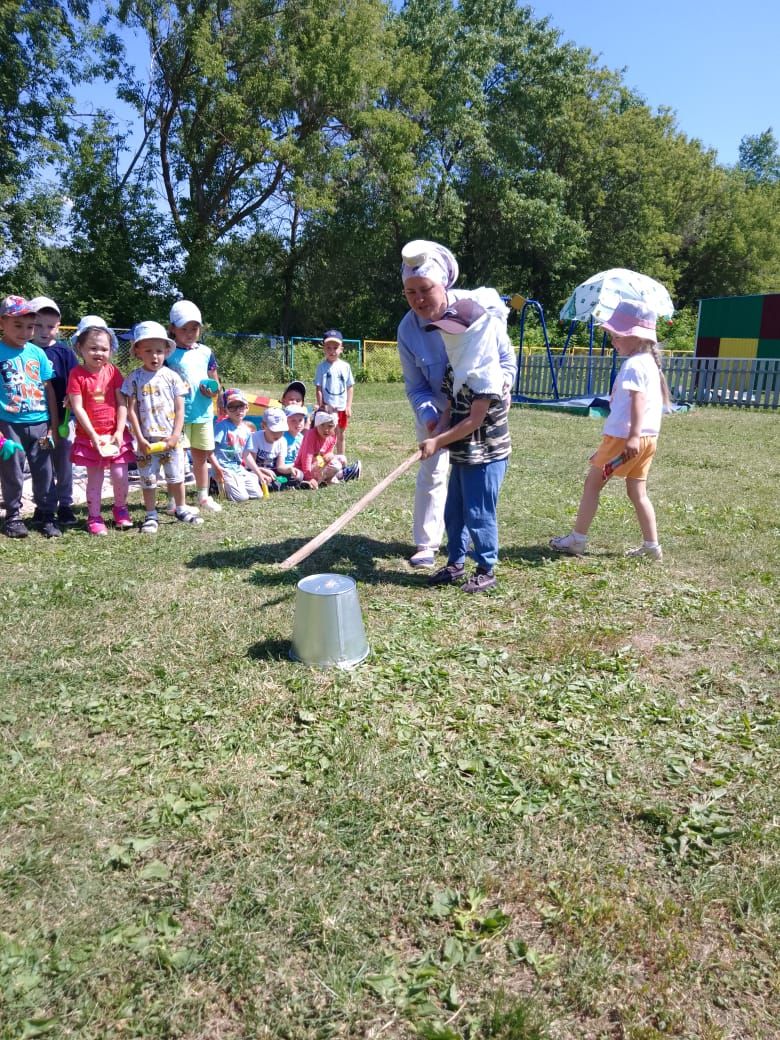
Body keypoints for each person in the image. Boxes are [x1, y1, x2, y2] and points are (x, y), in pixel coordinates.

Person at [397, 239, 516, 568]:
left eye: (425, 289)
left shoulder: (472, 313)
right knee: (433, 474)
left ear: (442, 284)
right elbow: (417, 387)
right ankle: (429, 544)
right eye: (411, 292)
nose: (419, 299)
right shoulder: (407, 330)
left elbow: (505, 360)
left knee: (474, 491)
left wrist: (500, 388)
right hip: (442, 408)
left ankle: (481, 558)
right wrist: (432, 418)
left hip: (479, 409)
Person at [549, 299, 669, 560]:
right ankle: (651, 547)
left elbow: (637, 401)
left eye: (616, 336)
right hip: (648, 440)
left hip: (623, 440)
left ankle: (576, 540)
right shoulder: (649, 363)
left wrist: (632, 436)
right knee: (637, 492)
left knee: (592, 484)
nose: (613, 341)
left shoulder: (634, 365)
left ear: (635, 337)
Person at [418, 299, 511, 593]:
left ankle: (486, 568)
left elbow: (473, 421)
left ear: (476, 333)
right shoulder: (457, 365)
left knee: (479, 513)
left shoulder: (486, 373)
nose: (449, 337)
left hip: (486, 456)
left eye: (455, 331)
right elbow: (449, 408)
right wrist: (438, 430)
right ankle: (455, 563)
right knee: (454, 511)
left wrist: (438, 441)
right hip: (462, 453)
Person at [122, 320, 203, 534]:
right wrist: (139, 438)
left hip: (171, 439)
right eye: (148, 351)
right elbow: (131, 410)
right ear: (138, 351)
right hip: (146, 440)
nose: (154, 356)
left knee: (176, 476)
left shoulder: (173, 377)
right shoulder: (134, 378)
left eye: (159, 351)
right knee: (149, 479)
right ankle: (151, 514)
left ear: (166, 351)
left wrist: (175, 435)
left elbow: (180, 408)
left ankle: (181, 507)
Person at [66, 316, 136, 535]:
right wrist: (94, 436)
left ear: (111, 350)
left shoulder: (113, 372)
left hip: (115, 436)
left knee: (120, 476)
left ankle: (120, 509)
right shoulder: (76, 374)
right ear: (80, 348)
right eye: (93, 348)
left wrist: (118, 430)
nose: (99, 353)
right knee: (94, 479)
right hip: (90, 438)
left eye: (104, 349)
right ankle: (94, 517)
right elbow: (78, 408)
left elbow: (121, 403)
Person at [0, 295, 61, 538]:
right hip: (9, 426)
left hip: (40, 424)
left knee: (45, 469)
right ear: (2, 322)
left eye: (30, 326)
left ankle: (47, 515)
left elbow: (49, 389)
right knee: (12, 471)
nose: (25, 332)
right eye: (18, 325)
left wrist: (52, 427)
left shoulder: (37, 353)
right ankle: (13, 516)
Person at [166, 300, 221, 515]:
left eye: (194, 328)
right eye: (184, 328)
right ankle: (173, 500)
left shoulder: (206, 352)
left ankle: (203, 496)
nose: (190, 333)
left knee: (201, 457)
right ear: (172, 329)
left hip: (203, 414)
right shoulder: (167, 353)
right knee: (176, 460)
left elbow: (215, 382)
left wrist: (213, 391)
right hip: (177, 416)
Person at [29, 296, 78, 526]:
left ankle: (66, 505)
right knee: (42, 464)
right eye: (38, 325)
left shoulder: (64, 353)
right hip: (38, 421)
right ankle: (44, 506)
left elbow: (76, 380)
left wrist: (72, 397)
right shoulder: (24, 351)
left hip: (62, 421)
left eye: (50, 326)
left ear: (58, 328)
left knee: (64, 462)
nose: (44, 331)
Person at [211, 388, 262, 502]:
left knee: (257, 494)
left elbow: (246, 454)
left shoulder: (246, 430)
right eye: (232, 407)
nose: (237, 410)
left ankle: (234, 484)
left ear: (247, 407)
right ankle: (215, 483)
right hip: (223, 468)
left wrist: (258, 473)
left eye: (241, 406)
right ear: (225, 410)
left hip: (238, 469)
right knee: (241, 497)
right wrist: (216, 467)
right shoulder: (222, 426)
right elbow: (210, 450)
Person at [294, 410, 361, 488]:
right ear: (317, 425)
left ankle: (327, 479)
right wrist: (309, 478)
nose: (326, 430)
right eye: (322, 425)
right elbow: (306, 458)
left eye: (330, 426)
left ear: (334, 426)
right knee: (336, 465)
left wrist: (327, 458)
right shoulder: (310, 435)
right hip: (305, 468)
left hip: (320, 464)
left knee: (342, 459)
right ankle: (340, 476)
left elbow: (327, 456)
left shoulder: (333, 435)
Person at [315, 329, 355, 455]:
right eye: (328, 348)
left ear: (341, 349)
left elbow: (350, 387)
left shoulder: (345, 366)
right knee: (328, 433)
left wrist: (348, 406)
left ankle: (341, 459)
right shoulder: (321, 367)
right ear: (324, 349)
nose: (332, 351)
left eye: (335, 347)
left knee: (340, 433)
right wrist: (321, 405)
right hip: (328, 408)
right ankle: (328, 457)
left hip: (342, 408)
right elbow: (319, 388)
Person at [243, 406, 288, 492]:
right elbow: (250, 464)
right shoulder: (255, 438)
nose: (277, 434)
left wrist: (290, 469)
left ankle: (273, 484)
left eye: (281, 431)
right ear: (263, 426)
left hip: (274, 472)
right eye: (274, 431)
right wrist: (261, 471)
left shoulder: (282, 441)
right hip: (257, 470)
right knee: (254, 477)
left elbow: (280, 466)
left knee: (298, 476)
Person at [274, 403, 310, 489]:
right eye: (293, 420)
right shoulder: (282, 437)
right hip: (284, 468)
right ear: (285, 421)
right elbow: (279, 463)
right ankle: (295, 484)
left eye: (300, 420)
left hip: (296, 466)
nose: (298, 423)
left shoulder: (301, 437)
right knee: (297, 475)